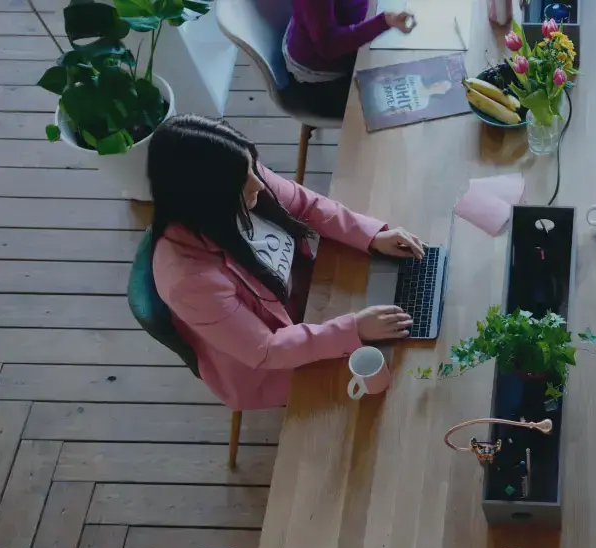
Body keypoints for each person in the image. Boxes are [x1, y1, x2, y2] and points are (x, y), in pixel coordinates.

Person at [149, 115, 426, 410]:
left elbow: (306, 205)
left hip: (311, 301)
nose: (259, 182)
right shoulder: (189, 282)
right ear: (206, 198)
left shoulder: (238, 176)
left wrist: (371, 236)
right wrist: (353, 328)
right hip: (270, 365)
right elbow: (266, 349)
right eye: (245, 181)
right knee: (396, 391)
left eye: (253, 167)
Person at [283, 0, 417, 117]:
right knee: (396, 107)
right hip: (320, 75)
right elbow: (328, 45)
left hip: (347, 39)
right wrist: (383, 23)